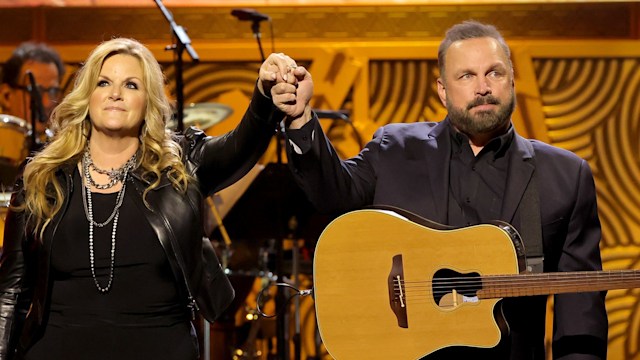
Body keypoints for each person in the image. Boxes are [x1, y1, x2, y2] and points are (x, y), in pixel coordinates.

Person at [277, 21, 608, 359]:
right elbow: (333, 195)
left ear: (512, 80)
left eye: (494, 73)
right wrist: (301, 118)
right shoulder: (395, 148)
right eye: (466, 76)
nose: (482, 87)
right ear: (443, 90)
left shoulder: (565, 175)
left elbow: (581, 310)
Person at [0, 38, 298, 359]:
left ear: (148, 102)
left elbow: (240, 147)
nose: (115, 93)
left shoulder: (181, 165)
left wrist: (264, 97)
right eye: (104, 82)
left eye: (131, 85)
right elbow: (10, 292)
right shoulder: (42, 178)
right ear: (87, 95)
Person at [0, 42, 65, 189]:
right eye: (35, 90)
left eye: (53, 91)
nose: (47, 102)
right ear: (6, 95)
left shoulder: (62, 149)